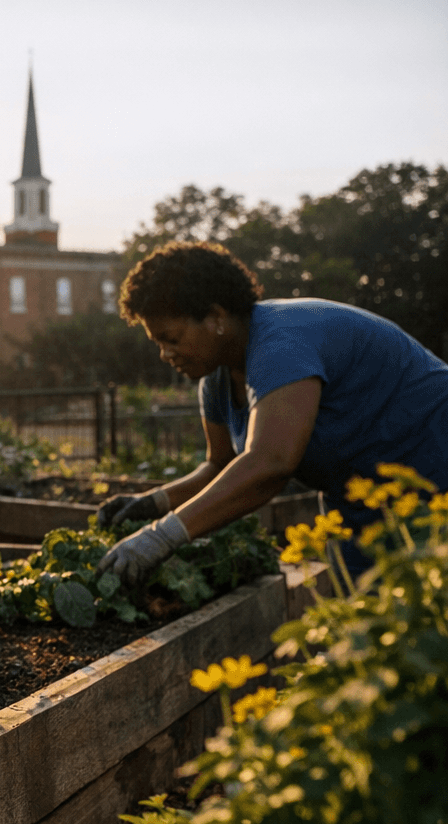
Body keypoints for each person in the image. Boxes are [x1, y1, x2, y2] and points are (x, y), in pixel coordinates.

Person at [96, 240, 448, 583]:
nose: (165, 354)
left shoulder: (280, 344)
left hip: (433, 466)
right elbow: (220, 465)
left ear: (217, 317)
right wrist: (153, 502)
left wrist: (161, 536)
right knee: (374, 622)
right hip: (362, 496)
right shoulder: (217, 379)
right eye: (158, 343)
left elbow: (271, 463)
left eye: (172, 338)